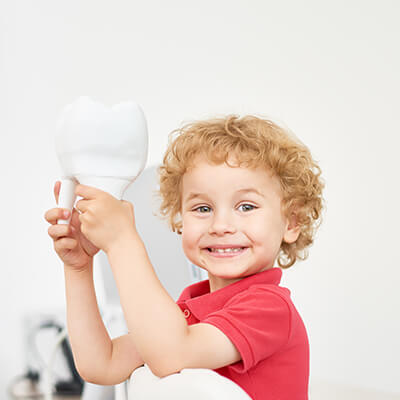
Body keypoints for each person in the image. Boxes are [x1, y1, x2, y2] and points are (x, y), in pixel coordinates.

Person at [44, 115, 324, 400]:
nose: (220, 225)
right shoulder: (187, 312)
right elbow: (102, 363)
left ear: (291, 222)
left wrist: (122, 241)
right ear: (179, 219)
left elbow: (172, 354)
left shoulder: (270, 310)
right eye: (202, 208)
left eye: (246, 206)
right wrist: (78, 268)